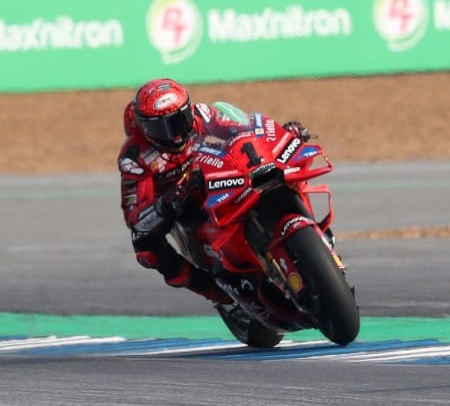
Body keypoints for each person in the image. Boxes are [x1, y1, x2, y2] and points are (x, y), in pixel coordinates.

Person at [118, 78, 312, 304]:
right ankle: (214, 291)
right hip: (180, 204)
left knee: (280, 168)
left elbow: (242, 128)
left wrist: (281, 134)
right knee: (145, 248)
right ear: (144, 127)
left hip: (219, 177)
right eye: (160, 127)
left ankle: (311, 230)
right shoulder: (134, 157)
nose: (175, 134)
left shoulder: (202, 114)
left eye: (180, 120)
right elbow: (136, 218)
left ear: (188, 109)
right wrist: (167, 202)